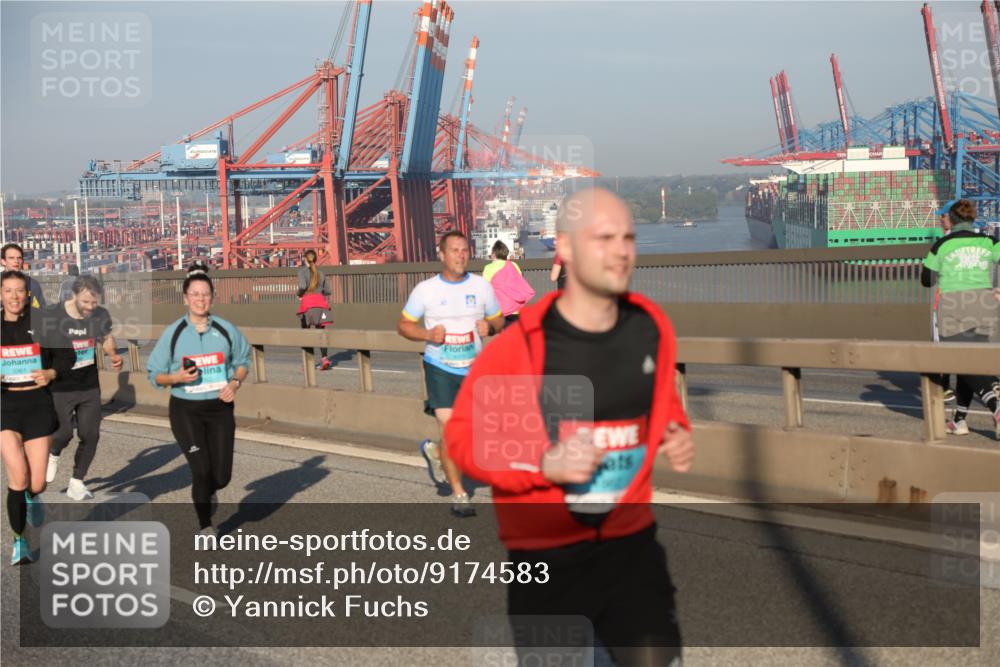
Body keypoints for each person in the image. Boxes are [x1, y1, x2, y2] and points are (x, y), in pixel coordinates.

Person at [445, 188, 694, 665]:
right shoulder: (526, 347)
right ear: (566, 249)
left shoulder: (650, 324)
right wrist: (543, 464)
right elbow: (463, 440)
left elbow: (658, 396)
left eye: (627, 237)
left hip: (632, 548)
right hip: (548, 562)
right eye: (603, 238)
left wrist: (674, 428)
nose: (621, 250)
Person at [397, 231, 505, 518]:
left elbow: (499, 318)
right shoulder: (426, 290)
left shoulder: (482, 287)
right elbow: (404, 326)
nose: (461, 255)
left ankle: (434, 451)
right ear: (442, 255)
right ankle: (459, 494)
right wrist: (427, 333)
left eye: (464, 250)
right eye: (454, 250)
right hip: (440, 367)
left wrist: (491, 328)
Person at [146, 264, 251, 535]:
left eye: (205, 294)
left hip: (220, 409)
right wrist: (176, 378)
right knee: (201, 470)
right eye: (195, 294)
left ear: (212, 297)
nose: (200, 299)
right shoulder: (174, 333)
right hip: (186, 410)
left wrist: (236, 383)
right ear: (185, 298)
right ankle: (206, 525)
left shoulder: (226, 330)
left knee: (222, 477)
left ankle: (206, 493)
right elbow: (154, 374)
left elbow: (243, 362)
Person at [1, 270, 73, 564]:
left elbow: (66, 356)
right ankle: (20, 542)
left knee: (38, 482)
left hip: (37, 404)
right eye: (9, 291)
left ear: (27, 294)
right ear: (1, 294)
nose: (15, 297)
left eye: (20, 291)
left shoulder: (44, 323)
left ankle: (33, 496)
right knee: (17, 474)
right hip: (5, 406)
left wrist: (51, 372)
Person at [921, 199, 1000, 440]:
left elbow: (927, 279)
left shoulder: (942, 244)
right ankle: (959, 420)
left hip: (954, 307)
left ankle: (996, 407)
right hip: (985, 305)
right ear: (972, 219)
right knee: (972, 363)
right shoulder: (990, 241)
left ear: (952, 220)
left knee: (961, 362)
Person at [43, 275, 124, 500]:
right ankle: (53, 451)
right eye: (85, 302)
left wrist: (113, 354)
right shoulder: (53, 315)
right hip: (60, 385)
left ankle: (77, 482)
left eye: (94, 302)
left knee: (91, 434)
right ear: (74, 295)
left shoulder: (99, 315)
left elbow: (106, 337)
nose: (90, 307)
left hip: (88, 384)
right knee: (64, 432)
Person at [296, 250, 334, 371]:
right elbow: (328, 291)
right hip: (321, 303)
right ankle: (324, 359)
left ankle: (308, 363)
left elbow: (302, 286)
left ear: (305, 259)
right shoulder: (321, 273)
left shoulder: (302, 272)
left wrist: (299, 294)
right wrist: (319, 291)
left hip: (308, 304)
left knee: (306, 334)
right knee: (321, 333)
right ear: (316, 259)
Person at [483, 240, 535, 326]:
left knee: (505, 336)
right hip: (517, 307)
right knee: (516, 334)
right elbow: (520, 281)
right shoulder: (514, 265)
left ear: (494, 254)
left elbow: (485, 288)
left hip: (501, 310)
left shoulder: (488, 268)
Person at [1, 243, 46, 309]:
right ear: (3, 262)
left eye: (19, 258)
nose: (16, 261)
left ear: (22, 261)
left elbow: (40, 309)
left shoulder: (32, 284)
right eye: (11, 258)